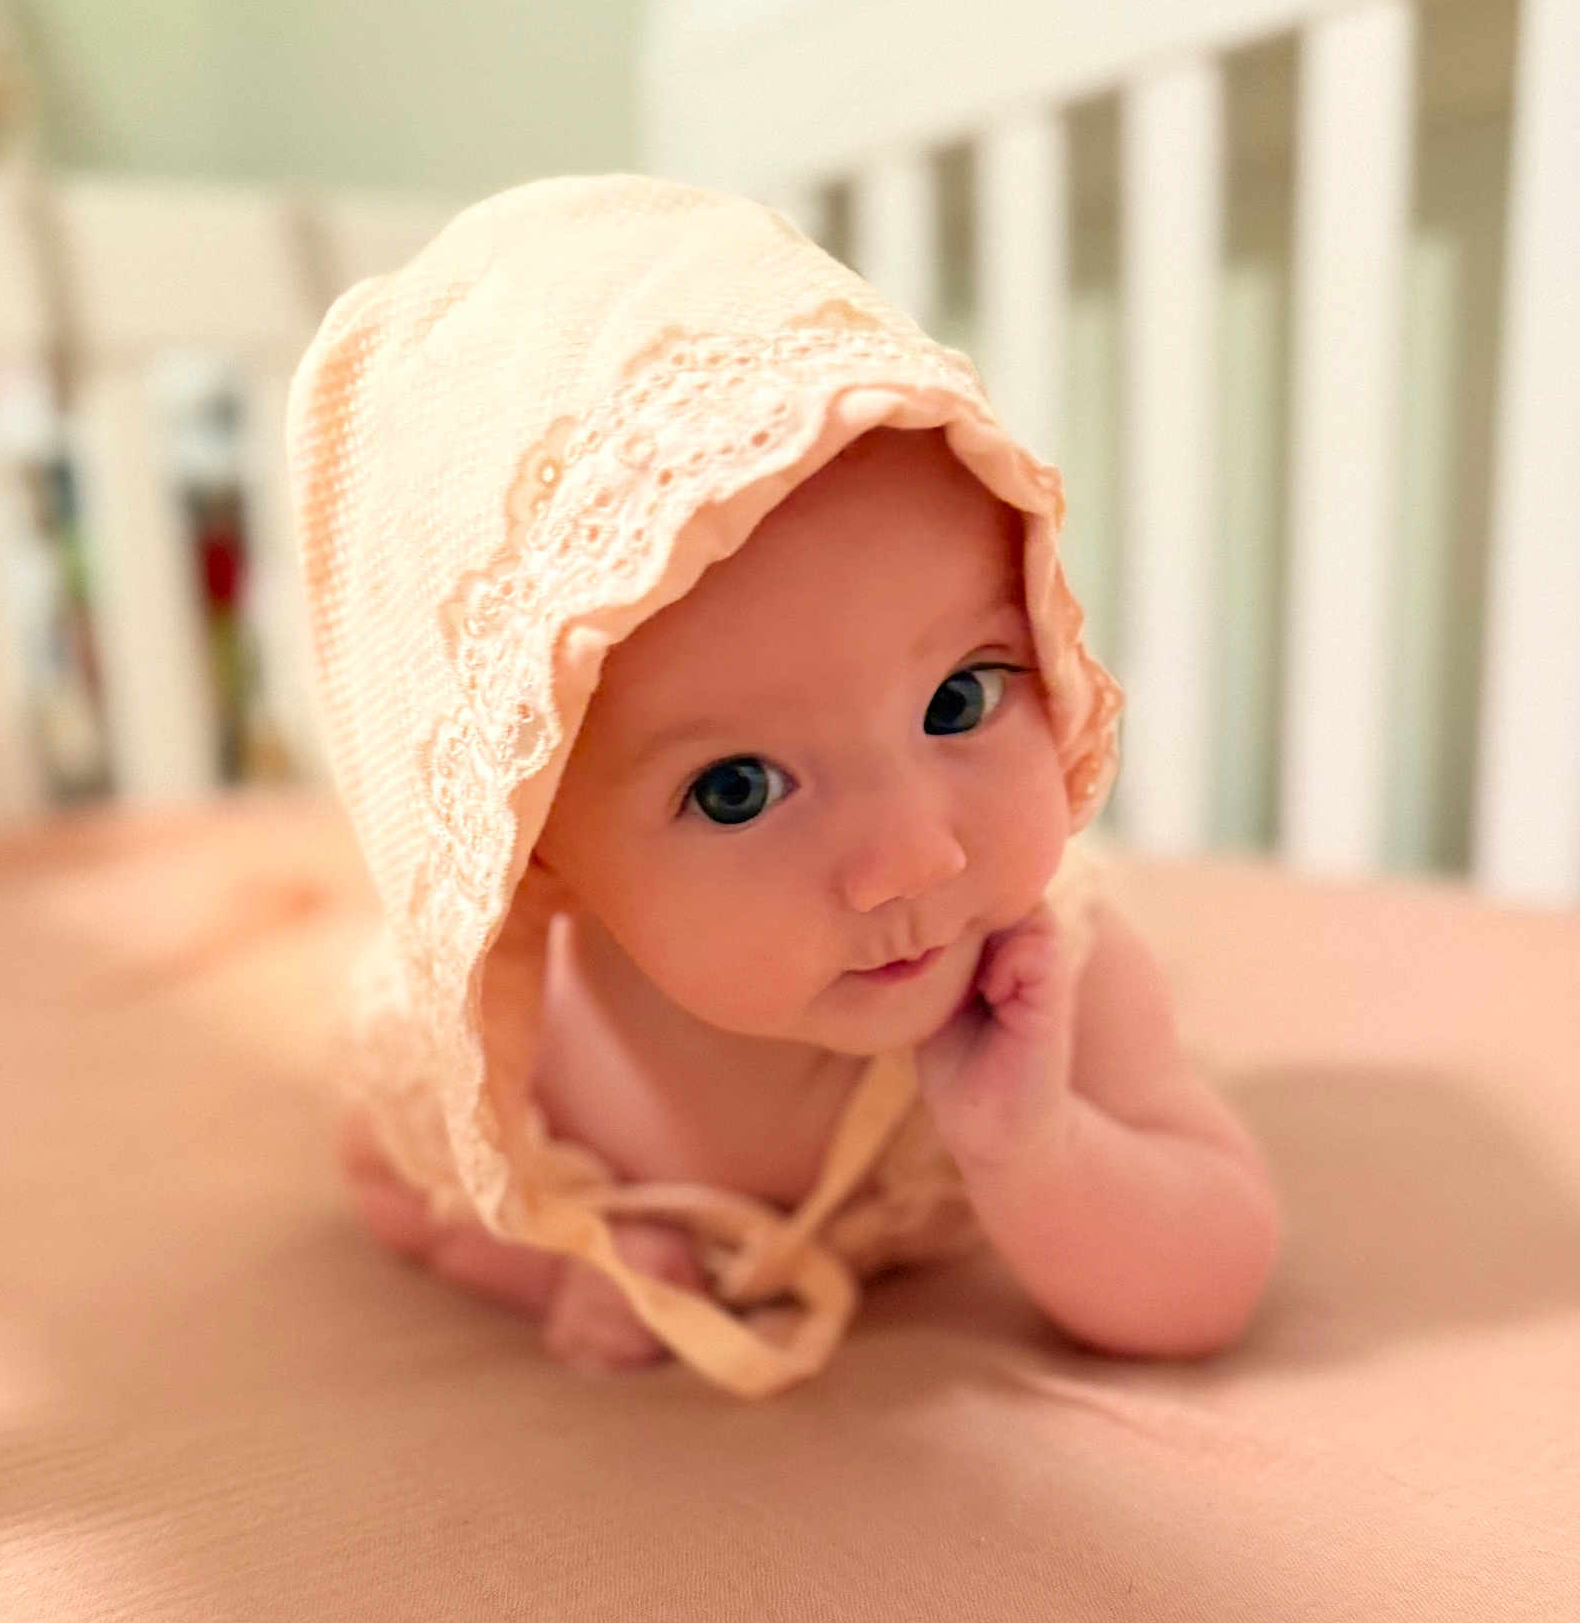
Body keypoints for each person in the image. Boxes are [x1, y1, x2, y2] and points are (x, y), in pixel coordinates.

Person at [288, 174, 1282, 1398]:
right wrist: (554, 1263)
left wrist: (1035, 1151)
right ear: (533, 844)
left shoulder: (1049, 970)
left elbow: (1214, 1272)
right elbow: (388, 1180)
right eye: (738, 788)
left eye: (959, 699)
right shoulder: (516, 1043)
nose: (918, 855)